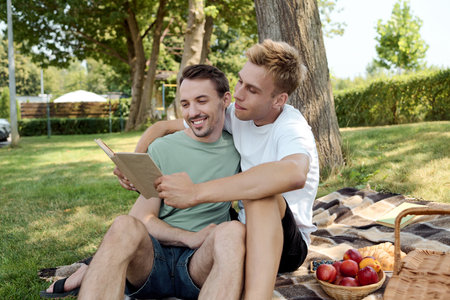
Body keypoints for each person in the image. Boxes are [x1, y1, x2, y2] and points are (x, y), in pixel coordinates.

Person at [117, 39, 320, 300]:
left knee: (261, 194)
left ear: (279, 100)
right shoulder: (239, 114)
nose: (238, 94)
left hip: (285, 243)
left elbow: (294, 173)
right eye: (239, 81)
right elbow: (164, 127)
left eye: (252, 90)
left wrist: (197, 192)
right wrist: (133, 161)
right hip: (244, 229)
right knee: (197, 227)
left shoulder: (292, 128)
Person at [42, 65, 245, 300]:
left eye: (202, 101)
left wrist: (201, 241)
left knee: (233, 232)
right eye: (186, 104)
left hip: (198, 264)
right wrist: (189, 237)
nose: (192, 112)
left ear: (225, 100)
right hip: (152, 263)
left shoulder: (240, 147)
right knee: (123, 225)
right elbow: (143, 217)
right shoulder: (163, 148)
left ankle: (89, 270)